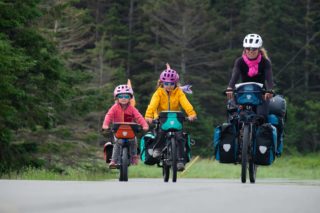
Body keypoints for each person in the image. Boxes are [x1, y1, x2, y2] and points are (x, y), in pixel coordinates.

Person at [145, 63, 197, 171]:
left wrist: (191, 114)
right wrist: (149, 116)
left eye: (171, 84)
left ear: (176, 83)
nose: (169, 86)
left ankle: (180, 160)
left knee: (180, 138)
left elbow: (185, 103)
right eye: (166, 83)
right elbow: (152, 105)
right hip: (161, 117)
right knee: (160, 133)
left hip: (175, 117)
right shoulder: (158, 93)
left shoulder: (179, 92)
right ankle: (158, 149)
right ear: (162, 83)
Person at [226, 33, 273, 120]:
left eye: (254, 49)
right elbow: (235, 75)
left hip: (261, 94)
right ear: (245, 49)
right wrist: (230, 88)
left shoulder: (265, 62)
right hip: (244, 93)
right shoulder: (239, 61)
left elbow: (269, 78)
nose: (251, 51)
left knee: (262, 117)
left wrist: (269, 90)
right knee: (234, 116)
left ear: (258, 49)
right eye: (248, 48)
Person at [102, 84, 149, 168]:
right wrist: (105, 125)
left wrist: (144, 125)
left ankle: (134, 156)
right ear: (117, 98)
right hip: (118, 130)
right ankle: (113, 161)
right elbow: (108, 115)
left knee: (134, 141)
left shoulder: (132, 109)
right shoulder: (114, 108)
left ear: (130, 98)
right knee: (116, 143)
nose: (123, 98)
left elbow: (139, 117)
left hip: (129, 130)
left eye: (126, 96)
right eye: (121, 96)